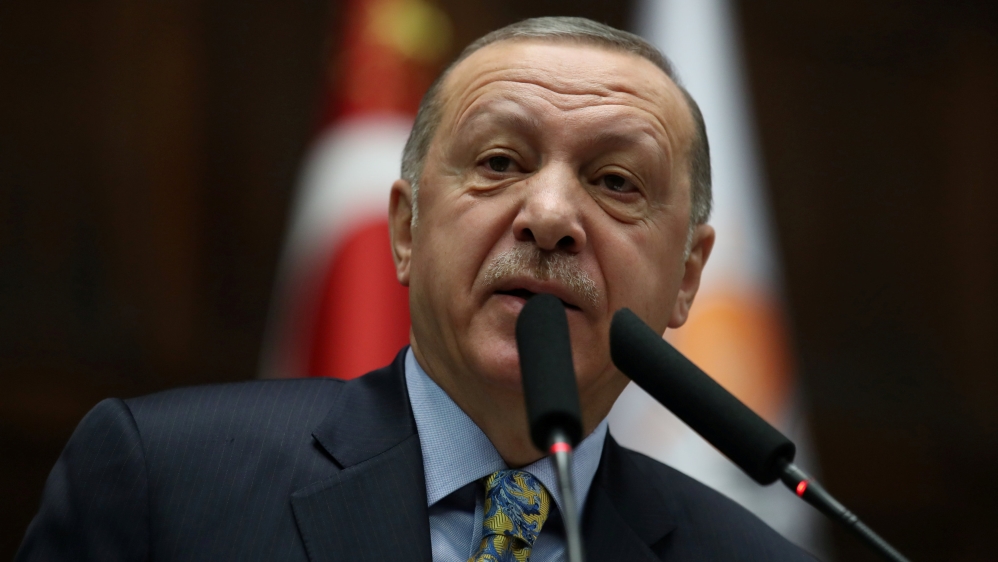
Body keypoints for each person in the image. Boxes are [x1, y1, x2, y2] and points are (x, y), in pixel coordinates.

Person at [18, 17, 816, 561]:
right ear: (406, 231)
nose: (548, 217)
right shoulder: (167, 482)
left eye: (614, 180)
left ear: (687, 279)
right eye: (500, 163)